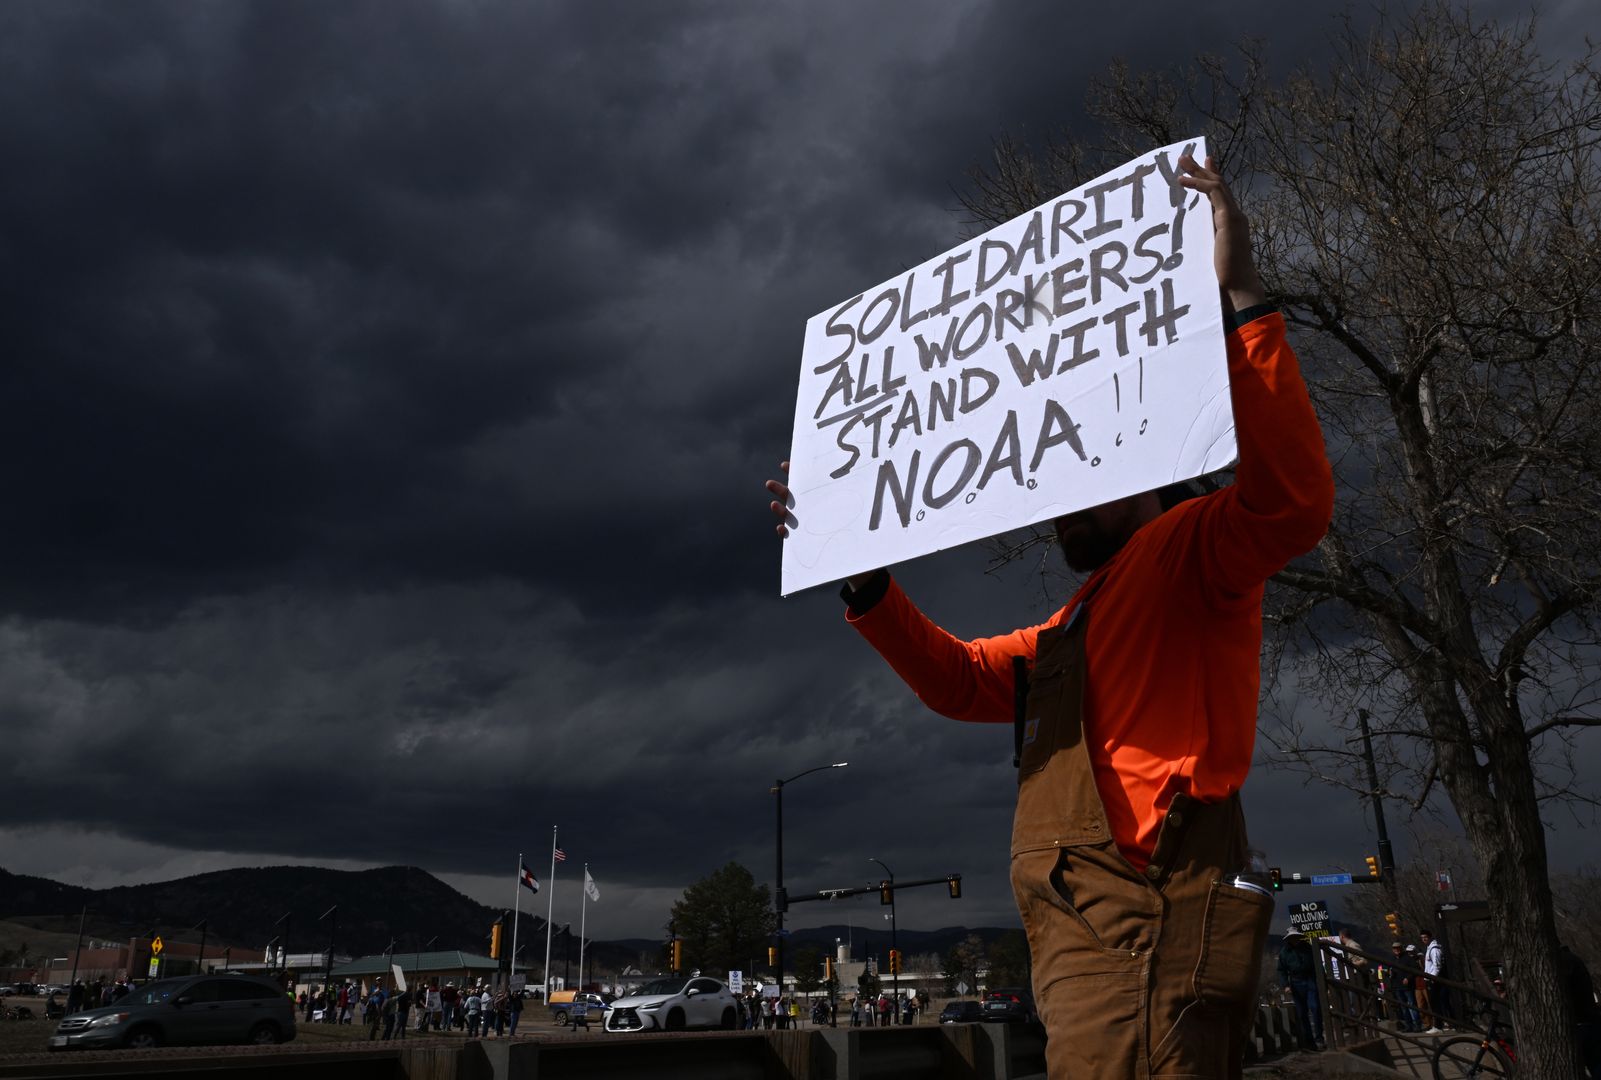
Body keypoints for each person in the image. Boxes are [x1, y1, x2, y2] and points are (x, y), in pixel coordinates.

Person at [766, 154, 1332, 1078]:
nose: (1057, 505)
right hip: (1077, 933)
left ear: (1141, 457)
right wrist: (862, 578)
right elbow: (958, 682)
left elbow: (1293, 505)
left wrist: (1241, 299)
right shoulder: (1071, 621)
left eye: (1080, 484)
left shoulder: (1192, 544)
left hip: (1150, 909)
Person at [1277, 930, 1324, 1051]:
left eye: (1296, 937)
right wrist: (1286, 985)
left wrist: (1322, 981)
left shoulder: (1308, 948)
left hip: (1310, 980)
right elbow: (1281, 970)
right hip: (1296, 982)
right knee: (1302, 1013)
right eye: (1292, 937)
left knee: (1315, 1008)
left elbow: (1318, 964)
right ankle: (1309, 1041)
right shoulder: (1285, 952)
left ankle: (1319, 1038)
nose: (1294, 939)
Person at [1421, 932, 1447, 1032]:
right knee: (1434, 1003)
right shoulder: (1429, 948)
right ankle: (1438, 1024)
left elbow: (1437, 965)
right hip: (1429, 978)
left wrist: (1432, 978)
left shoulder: (1434, 949)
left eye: (1425, 937)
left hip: (1433, 979)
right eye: (1422, 938)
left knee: (1435, 1003)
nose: (1424, 939)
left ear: (1430, 937)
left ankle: (1438, 1026)